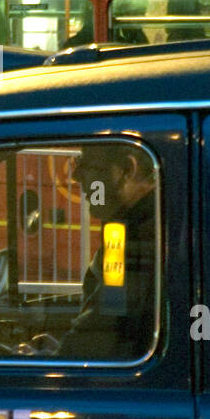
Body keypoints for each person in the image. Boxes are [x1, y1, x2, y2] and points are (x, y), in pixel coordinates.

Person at [59, 143, 157, 359]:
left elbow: (103, 331)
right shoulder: (128, 226)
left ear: (127, 169)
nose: (76, 176)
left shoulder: (135, 238)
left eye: (87, 165)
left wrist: (53, 356)